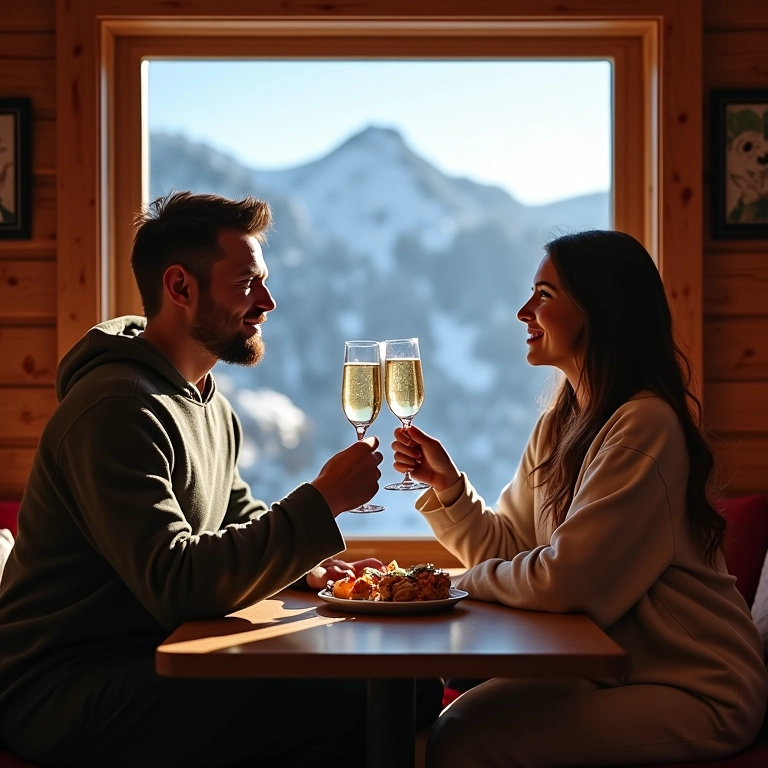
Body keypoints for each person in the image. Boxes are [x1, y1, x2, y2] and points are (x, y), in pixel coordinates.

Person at [0, 191, 441, 768]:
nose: (268, 302)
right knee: (351, 704)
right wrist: (322, 501)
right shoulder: (114, 410)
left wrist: (306, 568)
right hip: (62, 689)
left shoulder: (208, 403)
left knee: (410, 692)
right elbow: (176, 582)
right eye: (247, 284)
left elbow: (237, 516)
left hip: (148, 656)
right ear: (181, 288)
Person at [392, 230, 768, 767]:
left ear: (601, 310)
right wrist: (449, 488)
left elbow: (569, 584)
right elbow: (508, 547)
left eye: (545, 296)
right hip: (612, 672)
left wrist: (455, 586)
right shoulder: (559, 427)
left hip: (698, 687)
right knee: (455, 726)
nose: (524, 311)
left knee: (469, 740)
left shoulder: (646, 426)